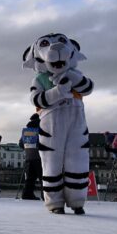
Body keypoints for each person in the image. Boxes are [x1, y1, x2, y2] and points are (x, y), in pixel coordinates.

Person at [22, 33, 94, 214]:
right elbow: (36, 99)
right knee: (52, 163)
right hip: (51, 124)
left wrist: (74, 79)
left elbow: (88, 88)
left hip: (76, 123)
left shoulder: (75, 74)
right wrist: (58, 92)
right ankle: (55, 203)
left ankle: (77, 200)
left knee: (77, 160)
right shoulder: (39, 79)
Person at [18, 113, 42, 200]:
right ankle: (45, 196)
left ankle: (27, 194)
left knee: (30, 178)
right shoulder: (40, 129)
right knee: (43, 178)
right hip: (39, 157)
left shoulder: (26, 131)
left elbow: (21, 144)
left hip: (28, 157)